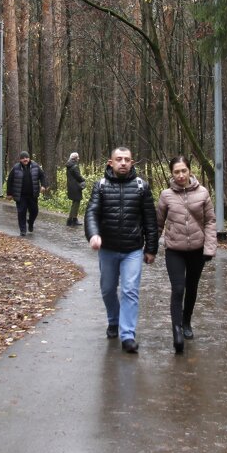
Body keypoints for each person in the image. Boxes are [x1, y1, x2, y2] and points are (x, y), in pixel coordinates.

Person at [84, 146, 158, 354]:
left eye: (127, 159)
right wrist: (93, 235)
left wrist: (151, 248)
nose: (123, 163)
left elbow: (150, 220)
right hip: (107, 249)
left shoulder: (142, 186)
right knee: (108, 289)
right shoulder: (100, 186)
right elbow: (91, 213)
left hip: (132, 250)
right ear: (111, 163)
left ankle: (127, 335)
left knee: (129, 290)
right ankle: (113, 321)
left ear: (132, 163)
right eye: (119, 159)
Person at [156, 156, 216, 354]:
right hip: (174, 250)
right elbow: (158, 224)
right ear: (171, 174)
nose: (180, 175)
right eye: (176, 172)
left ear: (190, 170)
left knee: (191, 288)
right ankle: (176, 330)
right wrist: (150, 247)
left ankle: (186, 321)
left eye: (184, 171)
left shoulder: (203, 192)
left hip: (197, 250)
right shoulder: (166, 195)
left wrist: (209, 248)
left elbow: (210, 222)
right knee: (178, 288)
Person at [5, 150, 47, 235]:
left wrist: (43, 185)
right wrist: (9, 194)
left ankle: (30, 222)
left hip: (33, 194)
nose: (25, 159)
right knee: (21, 212)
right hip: (20, 196)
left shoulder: (35, 166)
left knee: (34, 211)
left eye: (27, 157)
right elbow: (10, 181)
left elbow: (42, 176)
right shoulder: (15, 168)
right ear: (20, 160)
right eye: (23, 158)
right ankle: (23, 230)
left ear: (29, 158)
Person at [65, 152, 85, 226]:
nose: (78, 158)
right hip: (76, 187)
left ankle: (71, 220)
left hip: (71, 186)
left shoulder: (68, 165)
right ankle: (72, 220)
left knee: (74, 203)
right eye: (78, 157)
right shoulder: (75, 166)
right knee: (76, 203)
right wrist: (83, 180)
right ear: (75, 158)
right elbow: (78, 177)